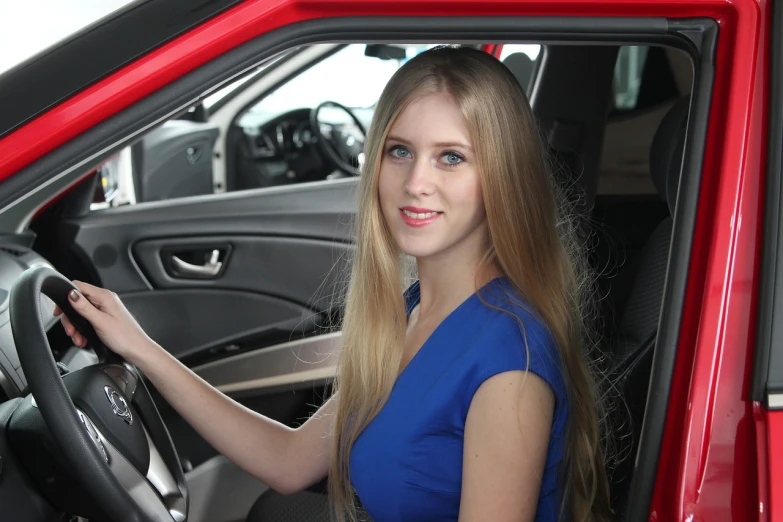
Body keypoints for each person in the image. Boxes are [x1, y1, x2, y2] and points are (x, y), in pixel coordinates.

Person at [57, 46, 611, 522]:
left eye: (451, 158)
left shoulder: (508, 360)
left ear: (501, 174)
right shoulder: (417, 307)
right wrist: (137, 346)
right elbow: (290, 459)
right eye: (400, 151)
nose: (416, 182)